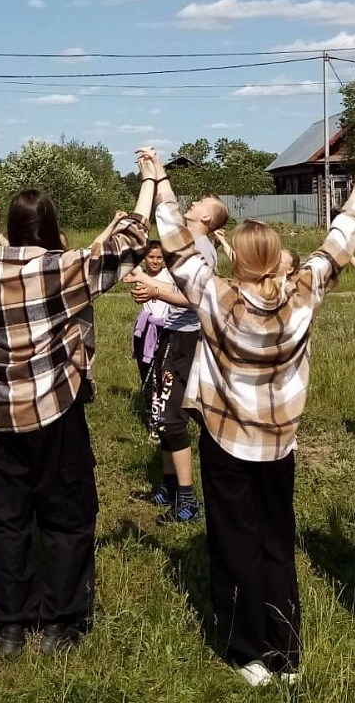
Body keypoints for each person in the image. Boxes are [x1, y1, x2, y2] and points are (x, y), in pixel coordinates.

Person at [147, 146, 355, 686]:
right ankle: (286, 651)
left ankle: (249, 651)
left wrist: (160, 180)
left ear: (237, 260)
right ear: (276, 259)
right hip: (280, 447)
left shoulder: (217, 296)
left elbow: (175, 242)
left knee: (234, 542)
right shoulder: (304, 293)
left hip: (226, 442)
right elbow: (337, 247)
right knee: (276, 539)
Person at [0, 180, 155, 658]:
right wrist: (147, 183)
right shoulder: (64, 268)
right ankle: (62, 621)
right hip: (55, 408)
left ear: (13, 229)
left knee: (8, 520)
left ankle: (10, 625)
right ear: (51, 228)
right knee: (67, 517)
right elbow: (126, 244)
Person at [128, 193, 228, 525]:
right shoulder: (188, 245)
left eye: (201, 203)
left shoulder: (201, 251)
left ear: (207, 219)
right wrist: (146, 282)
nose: (194, 203)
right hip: (172, 336)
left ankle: (187, 499)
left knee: (171, 417)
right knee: (161, 413)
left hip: (186, 340)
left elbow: (195, 299)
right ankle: (170, 486)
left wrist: (155, 291)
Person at [128, 245, 171, 399]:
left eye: (159, 257)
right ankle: (149, 406)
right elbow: (124, 258)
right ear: (144, 259)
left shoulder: (170, 275)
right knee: (145, 369)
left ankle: (162, 407)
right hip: (146, 330)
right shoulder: (140, 274)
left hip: (166, 329)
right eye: (151, 257)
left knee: (163, 372)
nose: (155, 261)